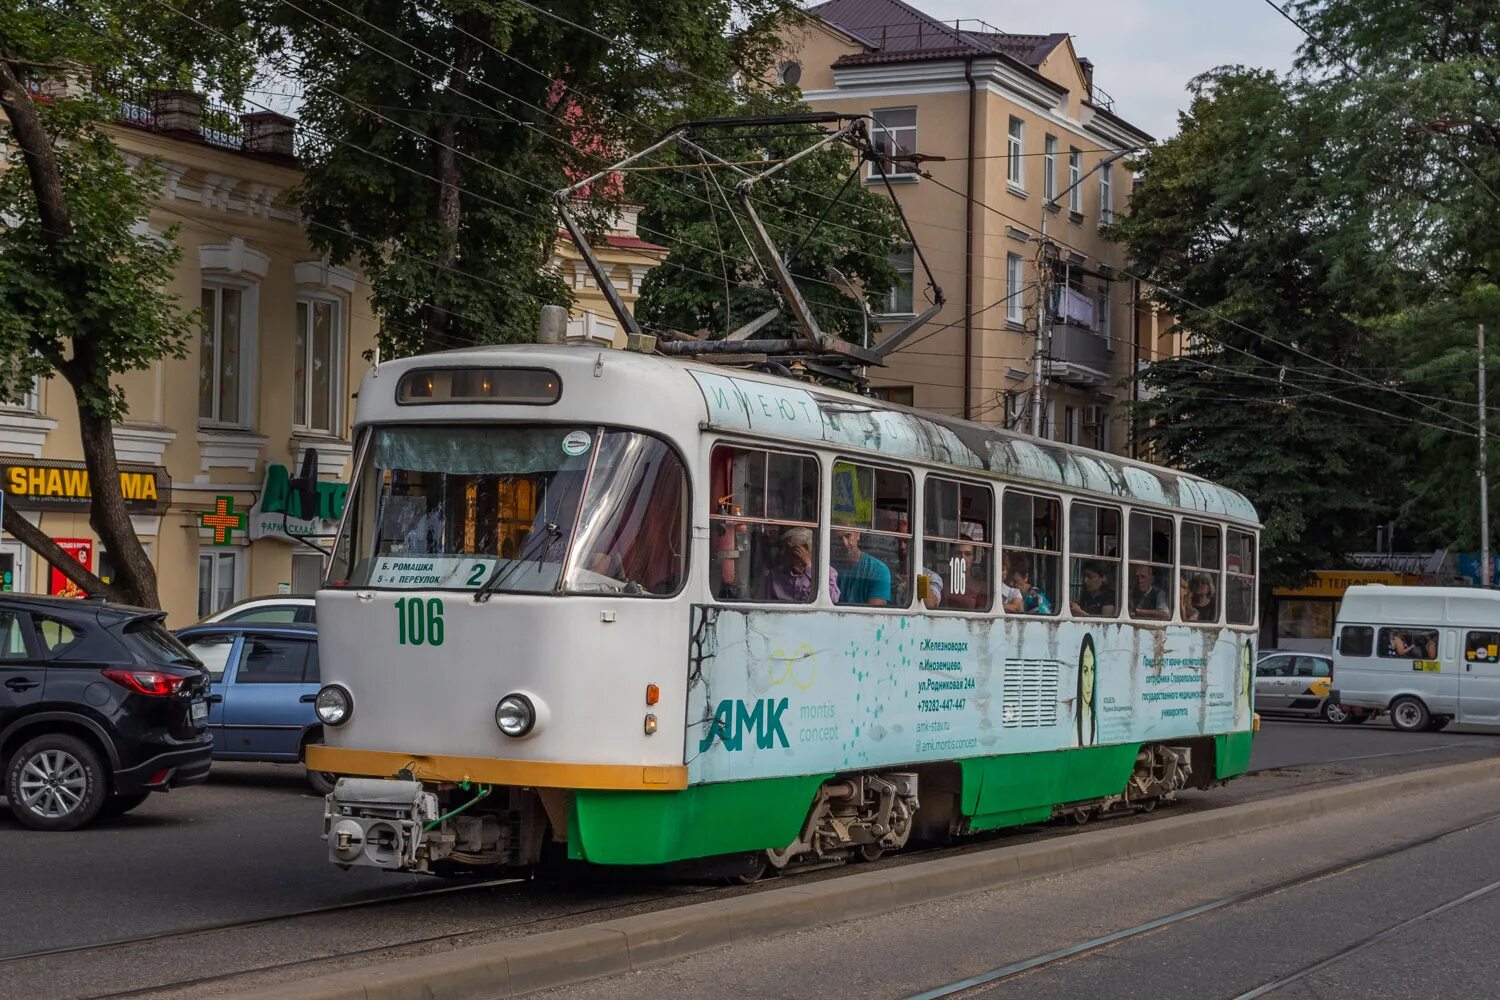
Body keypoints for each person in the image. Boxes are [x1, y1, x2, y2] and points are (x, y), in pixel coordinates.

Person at [762, 526, 839, 603]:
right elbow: (766, 602)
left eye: (787, 547)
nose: (782, 552)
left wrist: (809, 565)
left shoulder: (826, 573)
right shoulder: (775, 574)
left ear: (804, 549)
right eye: (782, 548)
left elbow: (833, 599)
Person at [832, 528, 890, 606]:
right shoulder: (830, 567)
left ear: (857, 534)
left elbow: (875, 614)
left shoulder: (878, 569)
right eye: (838, 538)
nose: (844, 543)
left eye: (848, 536)